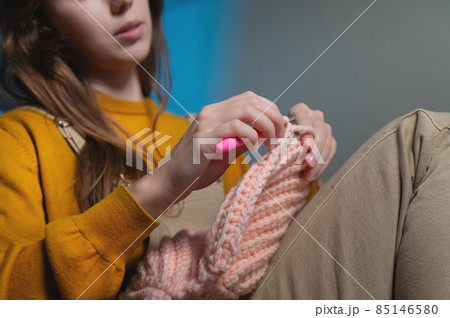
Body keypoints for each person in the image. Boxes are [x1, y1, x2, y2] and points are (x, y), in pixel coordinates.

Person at [0, 0, 448, 300]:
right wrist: (164, 182)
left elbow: (286, 249)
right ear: (43, 22)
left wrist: (301, 170)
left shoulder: (206, 130)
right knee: (422, 138)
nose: (120, 0)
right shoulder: (23, 136)